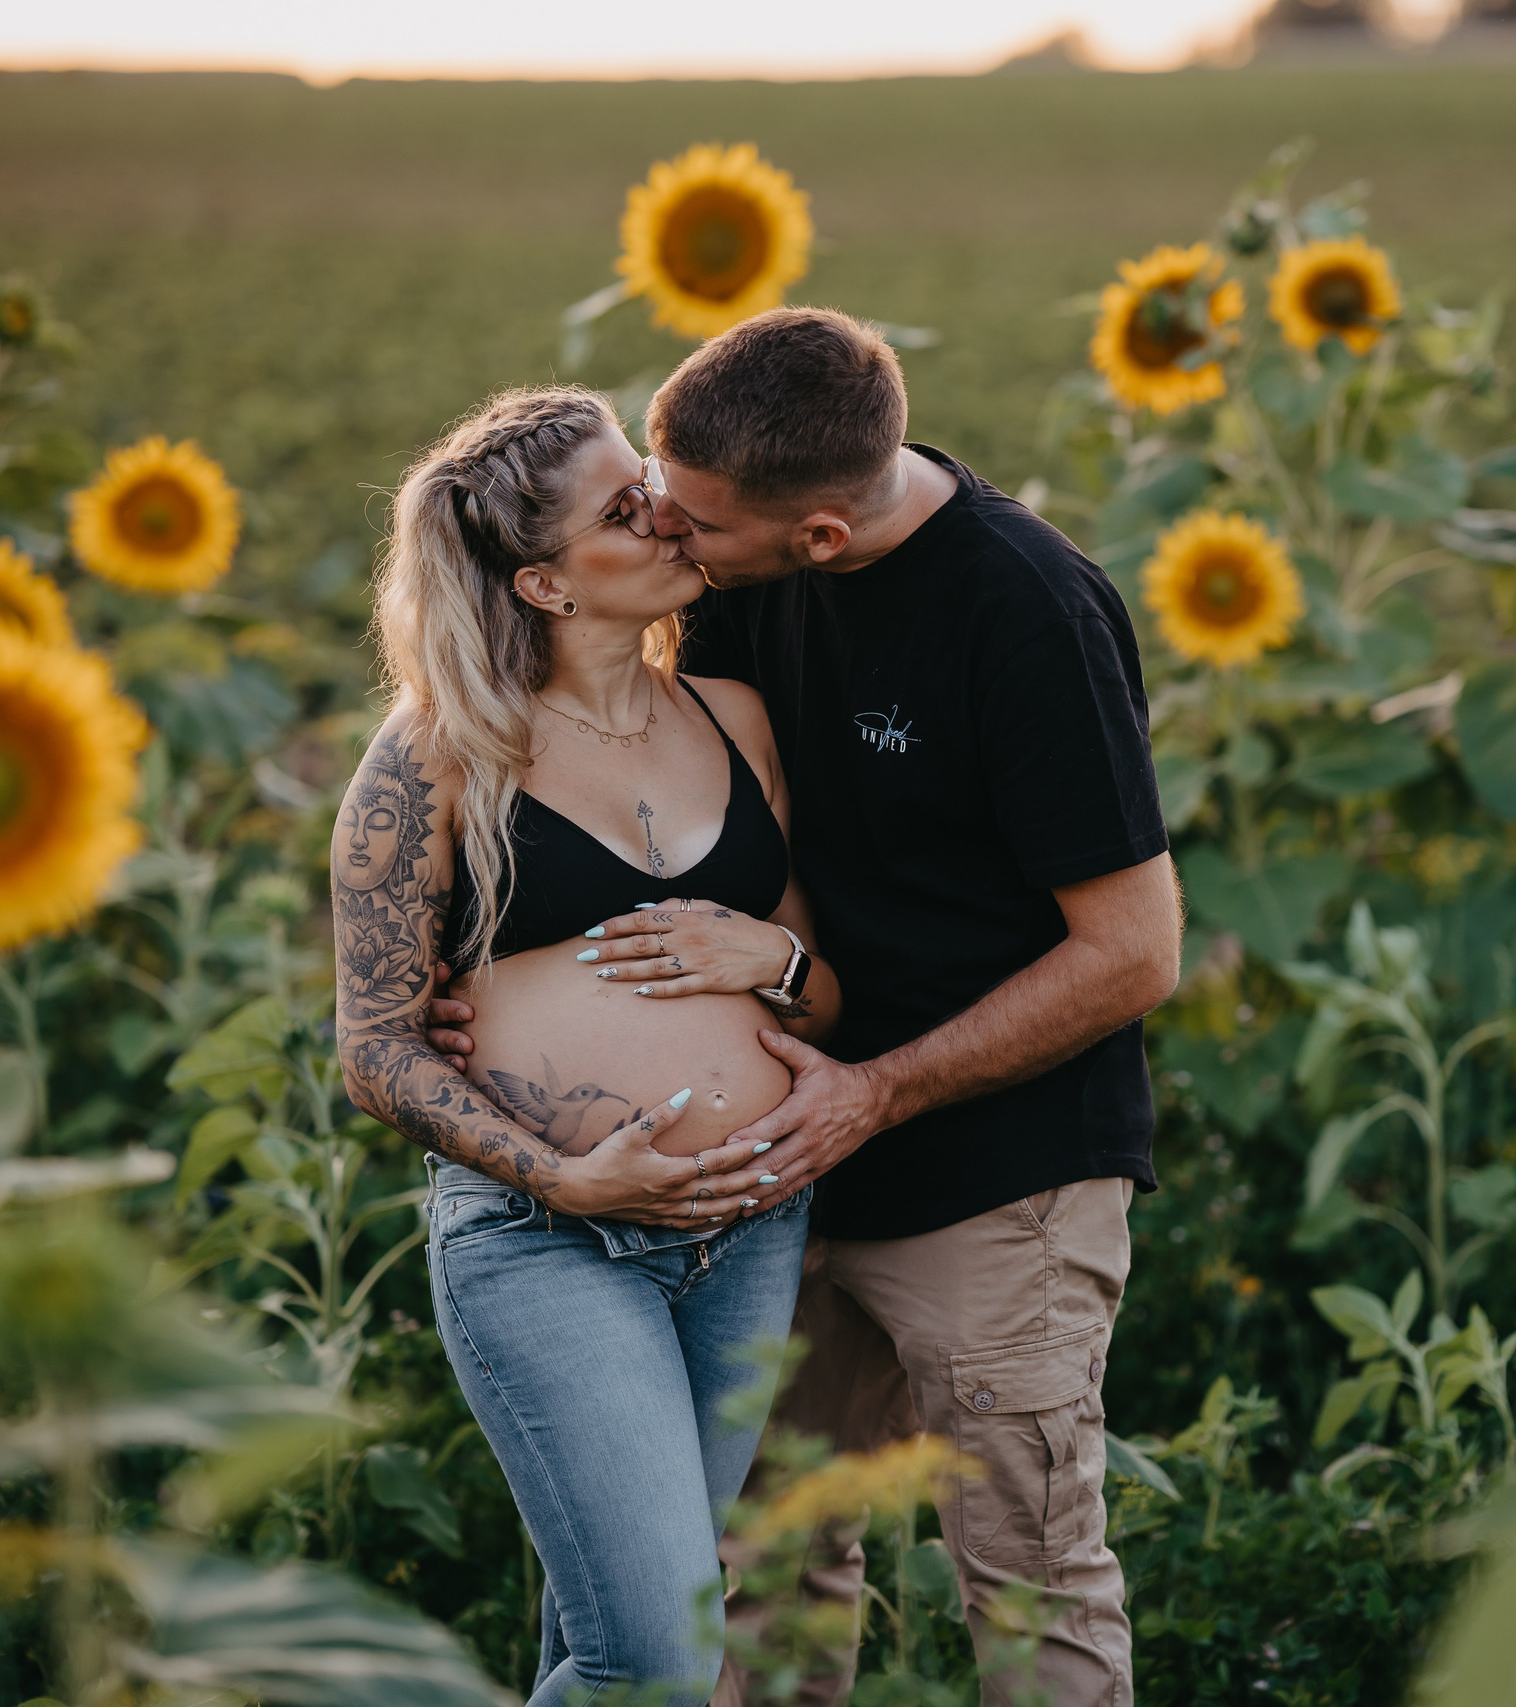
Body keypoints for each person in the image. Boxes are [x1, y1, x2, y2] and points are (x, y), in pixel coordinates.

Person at [432, 309, 1182, 1706]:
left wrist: (878, 1089)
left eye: (689, 524)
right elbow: (663, 806)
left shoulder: (1025, 611)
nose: (660, 532)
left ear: (819, 538)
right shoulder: (718, 556)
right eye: (651, 496)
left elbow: (1135, 953)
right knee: (773, 1570)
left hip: (992, 1176)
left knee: (1028, 1577)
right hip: (771, 1192)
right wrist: (506, 1000)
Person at [333, 383, 843, 1707]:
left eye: (651, 481)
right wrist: (561, 1177)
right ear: (547, 587)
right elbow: (377, 1050)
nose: (669, 514)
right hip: (549, 1243)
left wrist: (776, 963)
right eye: (627, 508)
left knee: (611, 1645)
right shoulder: (439, 757)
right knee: (659, 1661)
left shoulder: (735, 722)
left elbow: (822, 999)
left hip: (750, 1234)